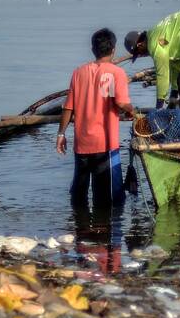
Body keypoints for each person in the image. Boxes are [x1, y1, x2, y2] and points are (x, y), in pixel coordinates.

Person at [57, 28, 136, 209]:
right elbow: (121, 103)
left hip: (82, 144)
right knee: (109, 198)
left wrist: (61, 134)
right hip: (105, 145)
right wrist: (133, 111)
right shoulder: (116, 73)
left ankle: (81, 229)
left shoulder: (79, 72)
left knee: (79, 192)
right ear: (113, 49)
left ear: (93, 49)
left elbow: (68, 107)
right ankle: (103, 232)